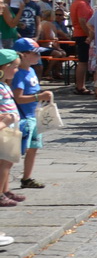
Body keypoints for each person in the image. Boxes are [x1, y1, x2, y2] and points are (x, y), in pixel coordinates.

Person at [8, 39, 52, 185]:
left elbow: (34, 91)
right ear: (24, 55)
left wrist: (42, 98)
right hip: (23, 118)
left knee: (33, 148)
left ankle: (26, 178)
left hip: (34, 115)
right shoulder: (18, 74)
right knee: (13, 153)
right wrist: (39, 96)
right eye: (35, 53)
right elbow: (18, 98)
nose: (39, 56)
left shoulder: (31, 70)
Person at [0, 49, 21, 206]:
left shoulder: (4, 85)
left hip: (10, 128)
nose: (16, 70)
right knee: (4, 162)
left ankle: (5, 190)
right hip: (4, 129)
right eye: (14, 66)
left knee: (8, 161)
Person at [70, 0, 94, 95]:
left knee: (82, 61)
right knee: (83, 61)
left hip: (79, 33)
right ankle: (80, 86)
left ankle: (80, 85)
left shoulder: (76, 3)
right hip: (82, 34)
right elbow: (82, 21)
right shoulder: (82, 4)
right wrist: (89, 34)